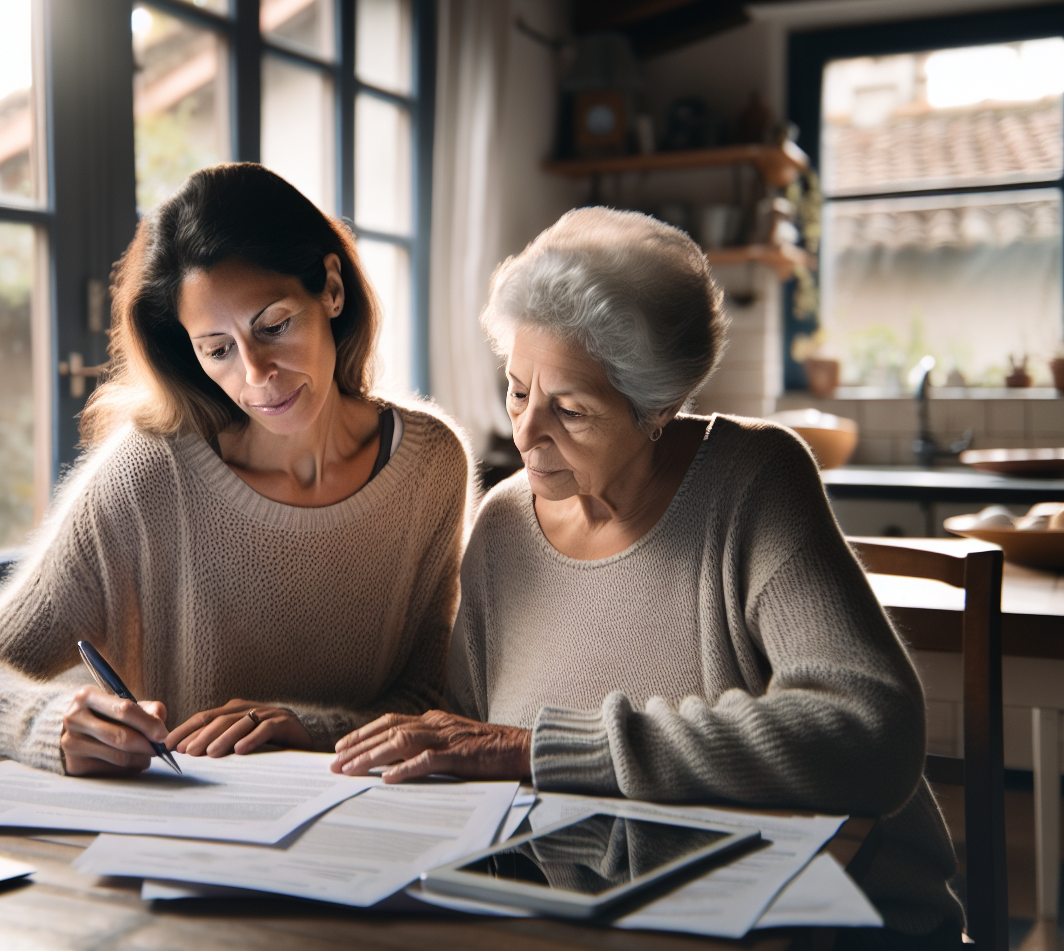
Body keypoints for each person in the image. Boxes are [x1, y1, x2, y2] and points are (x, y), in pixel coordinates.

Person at [331, 208, 961, 940]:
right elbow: (467, 743)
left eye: (569, 409)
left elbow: (871, 731)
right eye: (516, 389)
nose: (526, 432)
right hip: (601, 922)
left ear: (658, 408)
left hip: (832, 919)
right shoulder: (504, 523)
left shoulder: (754, 482)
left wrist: (547, 750)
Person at [0, 163, 471, 778]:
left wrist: (305, 728)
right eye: (218, 349)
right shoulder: (151, 475)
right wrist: (46, 721)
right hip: (186, 837)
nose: (257, 374)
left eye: (274, 326)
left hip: (367, 826)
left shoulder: (430, 464)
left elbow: (424, 700)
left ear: (331, 289)